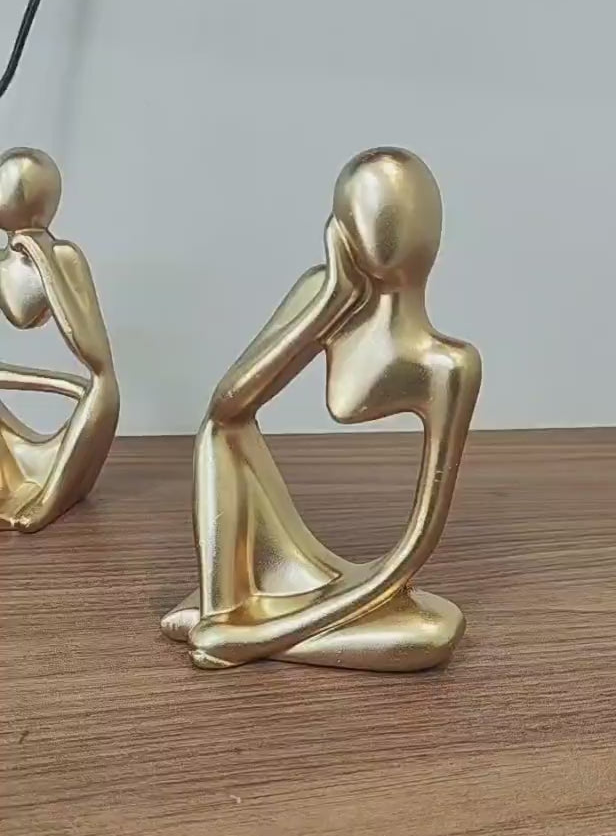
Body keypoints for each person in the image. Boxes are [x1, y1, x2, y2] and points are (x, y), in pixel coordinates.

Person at [162, 147, 481, 670]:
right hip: (290, 569)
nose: (383, 231)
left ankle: (236, 631)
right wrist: (331, 300)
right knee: (220, 433)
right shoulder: (320, 294)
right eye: (364, 213)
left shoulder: (448, 365)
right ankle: (225, 609)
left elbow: (415, 546)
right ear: (342, 227)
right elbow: (225, 410)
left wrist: (278, 632)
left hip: (363, 587)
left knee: (435, 631)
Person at [0, 148, 119, 532]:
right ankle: (10, 482)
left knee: (100, 392)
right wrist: (55, 383)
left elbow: (95, 356)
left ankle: (50, 499)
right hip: (26, 451)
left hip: (96, 392)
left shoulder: (64, 255)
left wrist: (41, 258)